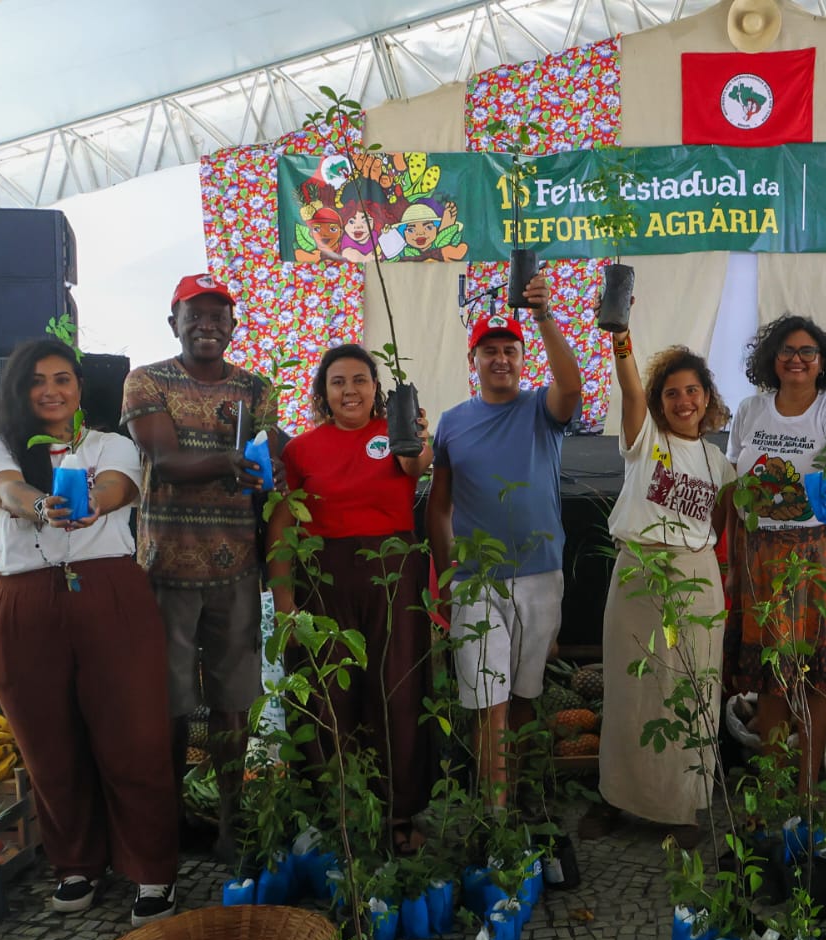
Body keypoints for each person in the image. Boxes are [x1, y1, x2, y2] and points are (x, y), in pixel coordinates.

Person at [0, 337, 179, 925]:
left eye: (62, 378)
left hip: (107, 593)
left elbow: (120, 487)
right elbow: (5, 491)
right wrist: (40, 505)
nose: (51, 390)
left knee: (134, 735)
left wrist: (91, 499)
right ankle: (75, 864)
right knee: (46, 743)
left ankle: (152, 871)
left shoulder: (111, 444)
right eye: (37, 380)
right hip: (23, 601)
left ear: (79, 388)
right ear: (20, 389)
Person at [123, 273, 280, 860]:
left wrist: (281, 459)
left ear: (234, 326)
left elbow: (270, 451)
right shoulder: (146, 381)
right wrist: (232, 460)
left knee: (232, 700)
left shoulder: (255, 387)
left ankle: (231, 821)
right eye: (197, 315)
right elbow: (163, 460)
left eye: (220, 316)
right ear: (175, 323)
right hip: (164, 568)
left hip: (237, 566)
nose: (208, 326)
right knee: (169, 702)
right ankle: (169, 819)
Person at [269, 344, 435, 851]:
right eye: (338, 381)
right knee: (327, 694)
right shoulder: (300, 450)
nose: (349, 390)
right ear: (323, 392)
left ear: (375, 388)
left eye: (360, 380)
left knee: (397, 690)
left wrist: (416, 435)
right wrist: (281, 599)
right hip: (322, 581)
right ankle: (336, 813)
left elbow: (418, 467)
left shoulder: (397, 434)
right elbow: (281, 525)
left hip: (394, 575)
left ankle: (397, 815)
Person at [426, 271, 582, 808]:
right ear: (473, 361)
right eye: (488, 350)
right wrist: (448, 580)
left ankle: (523, 795)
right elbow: (438, 506)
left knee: (524, 697)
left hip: (541, 574)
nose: (499, 359)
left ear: (522, 357)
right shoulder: (451, 423)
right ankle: (494, 817)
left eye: (509, 350)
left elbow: (572, 386)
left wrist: (542, 316)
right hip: (475, 582)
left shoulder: (543, 408)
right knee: (486, 700)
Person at [587, 311, 736, 847]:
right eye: (672, 393)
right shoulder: (645, 436)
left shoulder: (719, 462)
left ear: (707, 396)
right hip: (639, 572)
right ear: (659, 401)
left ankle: (683, 807)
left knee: (694, 688)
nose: (683, 401)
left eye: (692, 390)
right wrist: (623, 338)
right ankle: (617, 800)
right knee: (630, 688)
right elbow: (629, 389)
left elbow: (724, 522)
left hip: (697, 574)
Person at [724, 316, 826, 793]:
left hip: (816, 558)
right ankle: (774, 786)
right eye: (786, 350)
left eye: (807, 351)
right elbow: (732, 477)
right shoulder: (750, 409)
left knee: (815, 675)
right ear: (770, 359)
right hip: (759, 555)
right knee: (767, 674)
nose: (796, 359)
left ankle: (805, 789)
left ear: (822, 362)